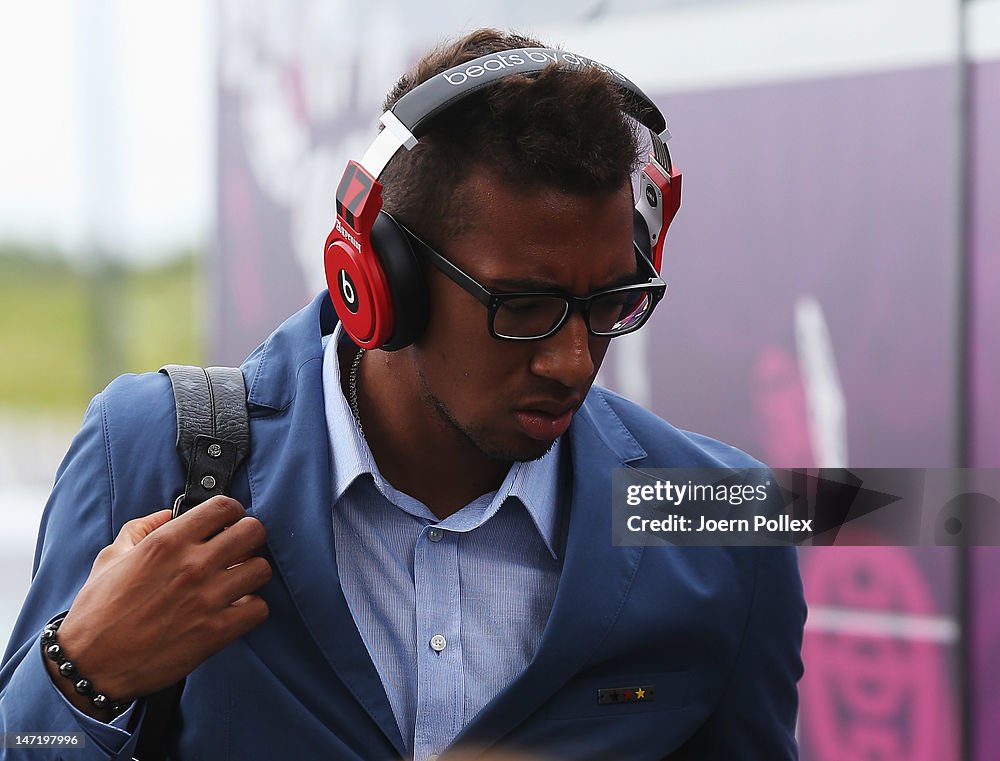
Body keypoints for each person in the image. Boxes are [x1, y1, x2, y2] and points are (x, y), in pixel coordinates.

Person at [0, 29, 805, 760]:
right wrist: (83, 671)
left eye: (610, 304)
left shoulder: (723, 533)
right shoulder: (148, 449)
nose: (572, 360)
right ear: (378, 280)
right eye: (522, 307)